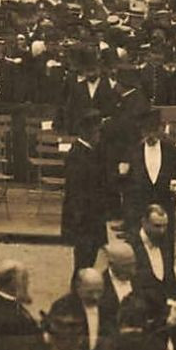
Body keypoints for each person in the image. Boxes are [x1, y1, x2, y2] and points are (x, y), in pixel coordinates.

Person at [62, 111, 109, 273]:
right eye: (98, 132)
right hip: (84, 220)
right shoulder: (77, 155)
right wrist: (79, 221)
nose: (100, 136)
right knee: (83, 264)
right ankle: (78, 295)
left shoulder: (92, 152)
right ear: (88, 132)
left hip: (93, 219)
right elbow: (76, 193)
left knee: (89, 261)